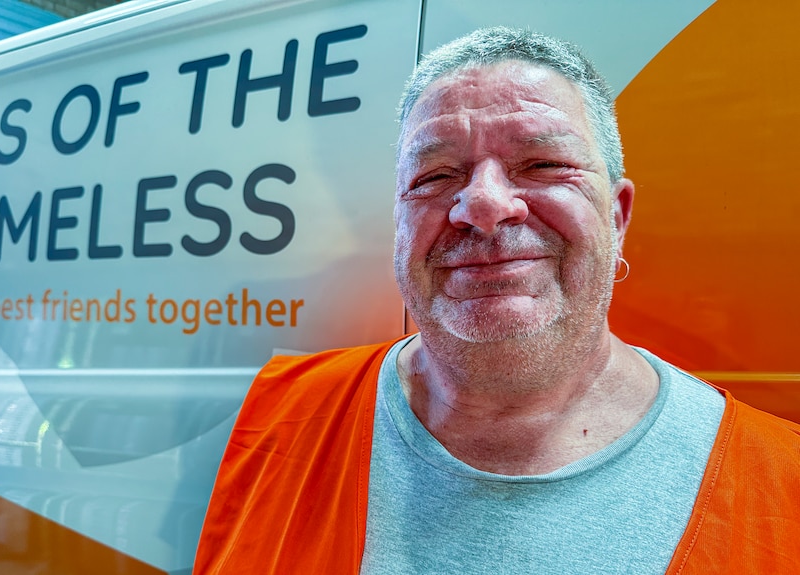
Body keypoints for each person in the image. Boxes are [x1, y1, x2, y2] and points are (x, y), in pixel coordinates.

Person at [192, 27, 800, 575]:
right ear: (399, 221)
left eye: (542, 164)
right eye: (434, 177)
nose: (482, 205)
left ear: (617, 218)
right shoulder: (282, 417)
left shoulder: (782, 484)